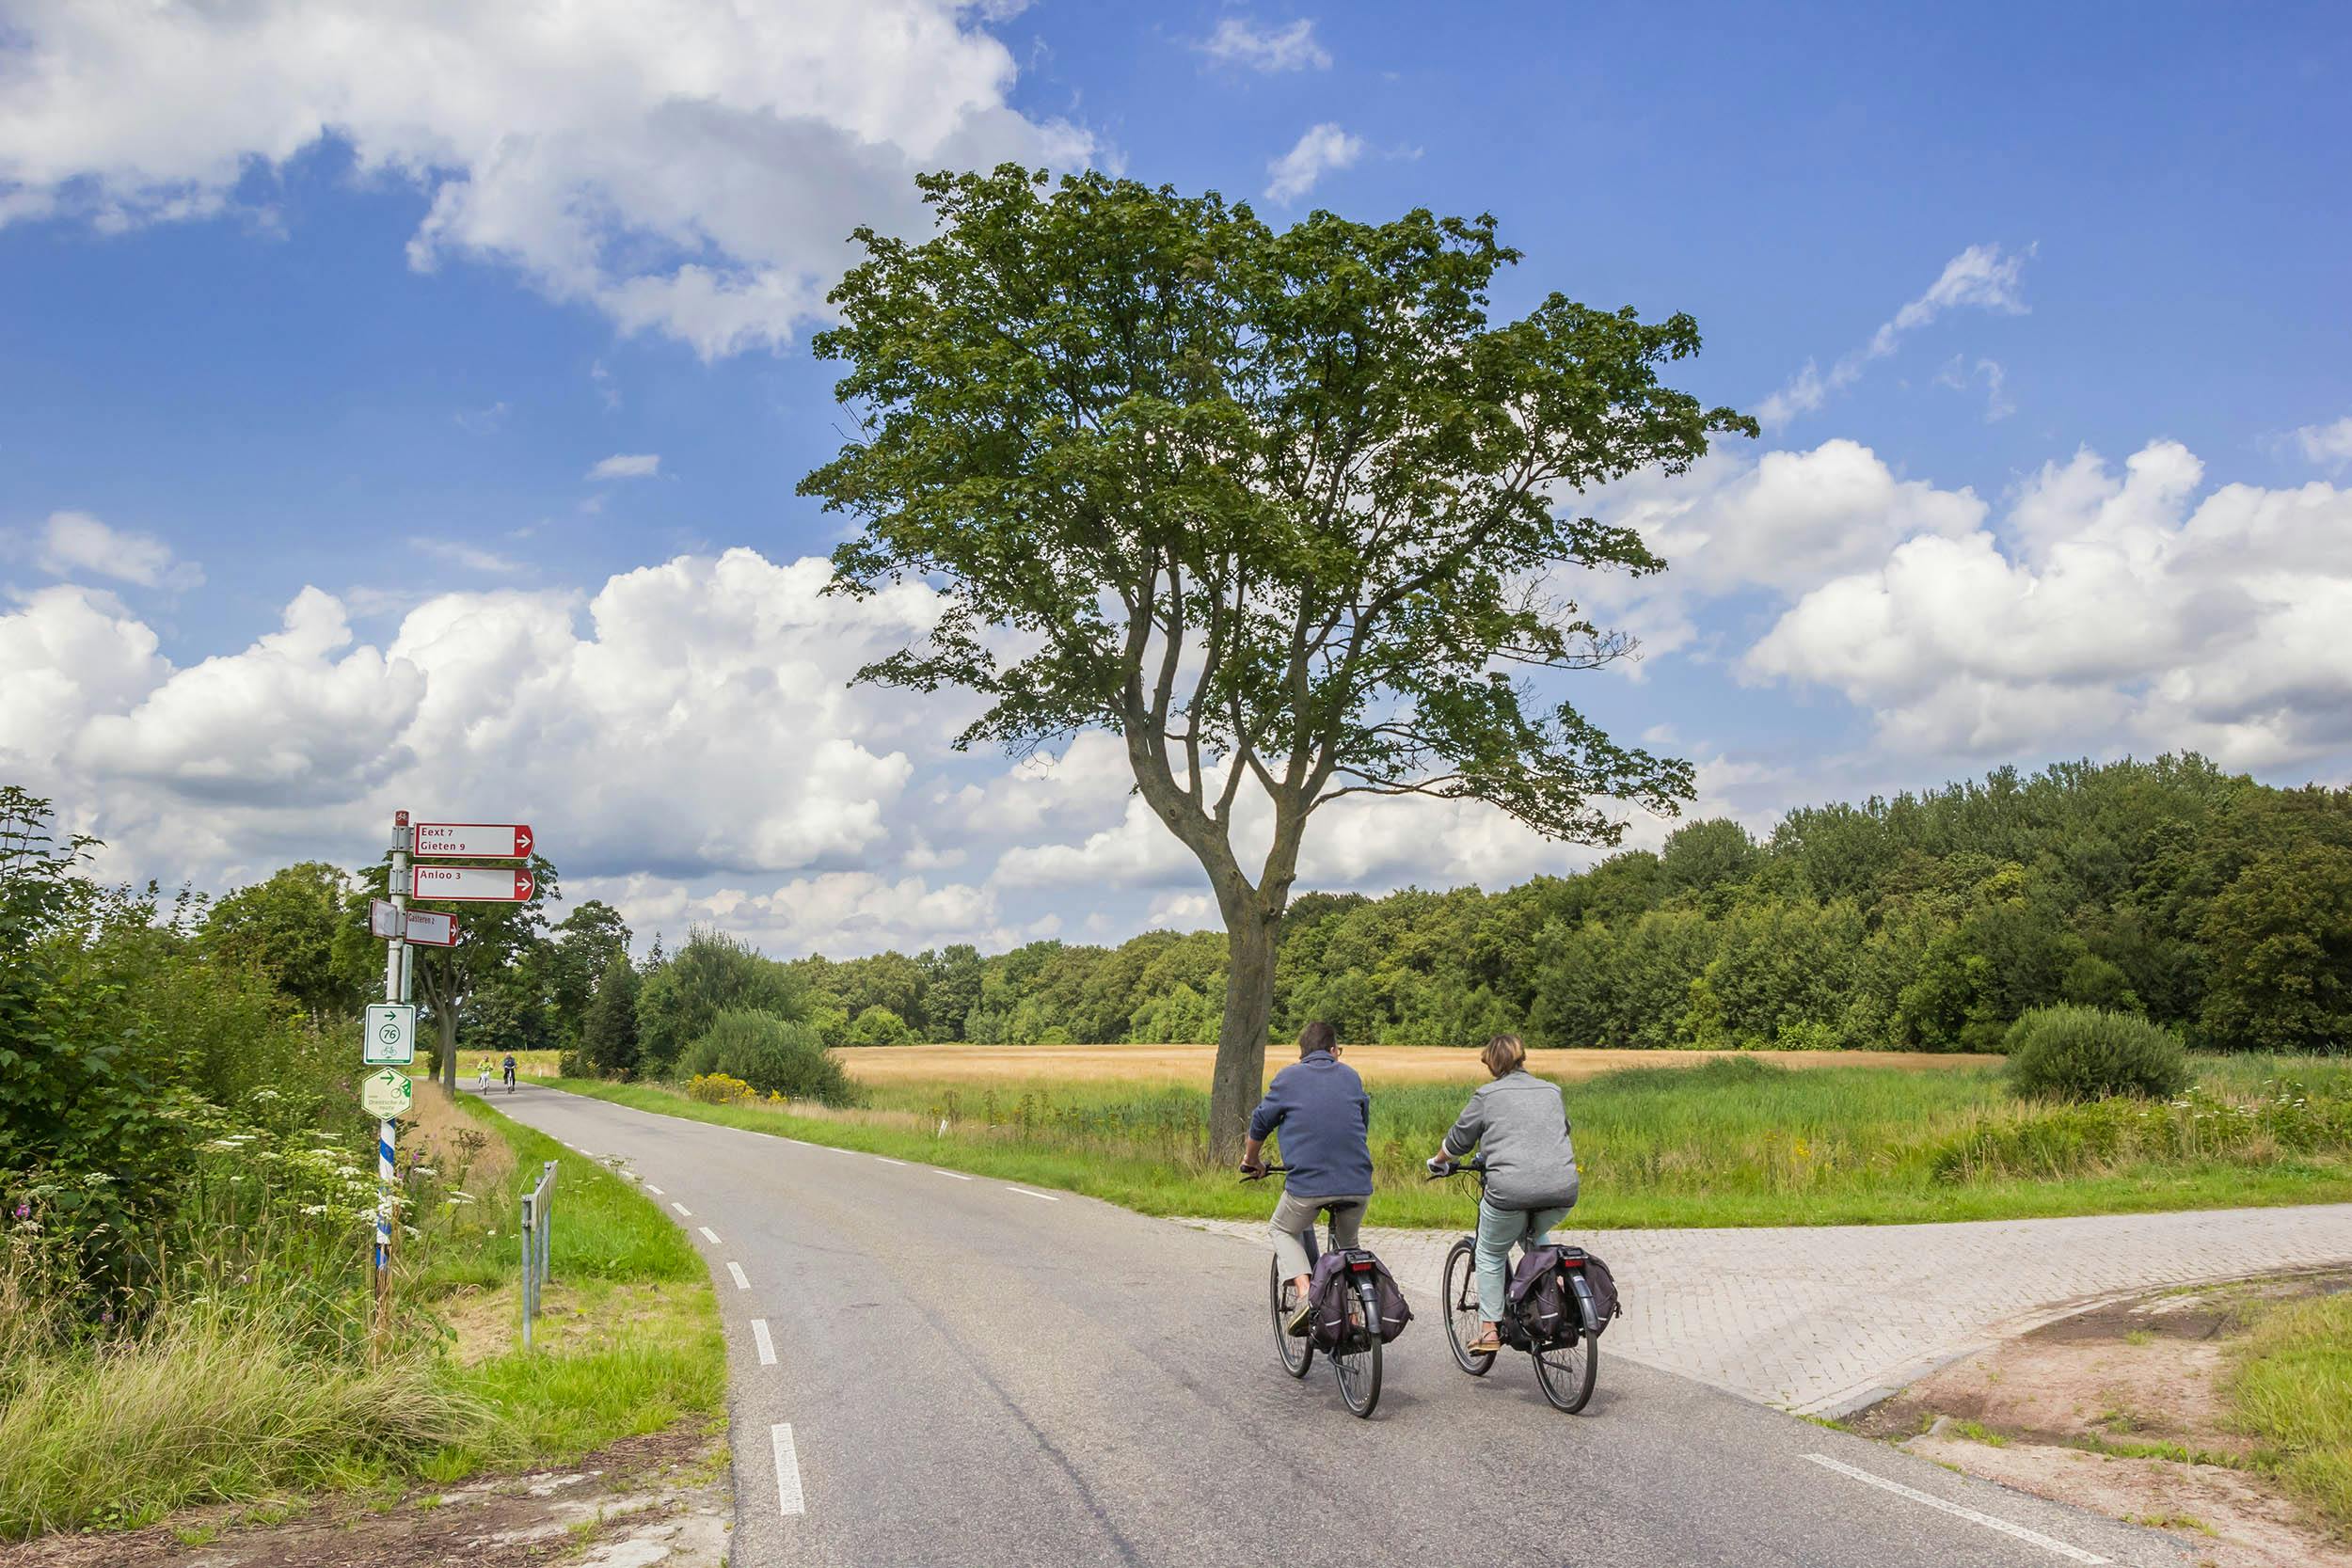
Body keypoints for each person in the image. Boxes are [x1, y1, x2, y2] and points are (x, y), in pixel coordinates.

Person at [1427, 1033, 1578, 1355]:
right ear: (1522, 1057)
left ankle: (1489, 1331)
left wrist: (1437, 1162)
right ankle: (1559, 1290)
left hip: (1509, 1192)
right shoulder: (1552, 1090)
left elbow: (1457, 1141)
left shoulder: (1487, 1095)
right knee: (1534, 1234)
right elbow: (1561, 1130)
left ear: (1493, 1064)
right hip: (1562, 1190)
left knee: (1491, 1253)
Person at [1240, 1022, 1373, 1338]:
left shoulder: (1287, 1078)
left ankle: (1304, 1295)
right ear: (1332, 1050)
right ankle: (1353, 1317)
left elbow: (1260, 1122)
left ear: (1302, 1054)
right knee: (1348, 1246)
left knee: (1282, 1228)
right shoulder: (1351, 1076)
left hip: (1308, 1185)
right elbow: (1361, 1123)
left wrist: (1252, 1161)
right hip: (1358, 1183)